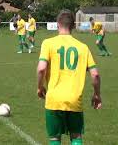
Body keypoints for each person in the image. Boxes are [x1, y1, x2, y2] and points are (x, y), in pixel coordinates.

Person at [37, 10, 102, 145]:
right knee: (76, 136)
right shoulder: (83, 47)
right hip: (74, 100)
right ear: (73, 26)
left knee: (54, 138)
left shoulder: (48, 43)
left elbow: (41, 68)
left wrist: (39, 87)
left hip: (53, 99)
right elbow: (95, 74)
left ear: (57, 24)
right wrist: (97, 95)